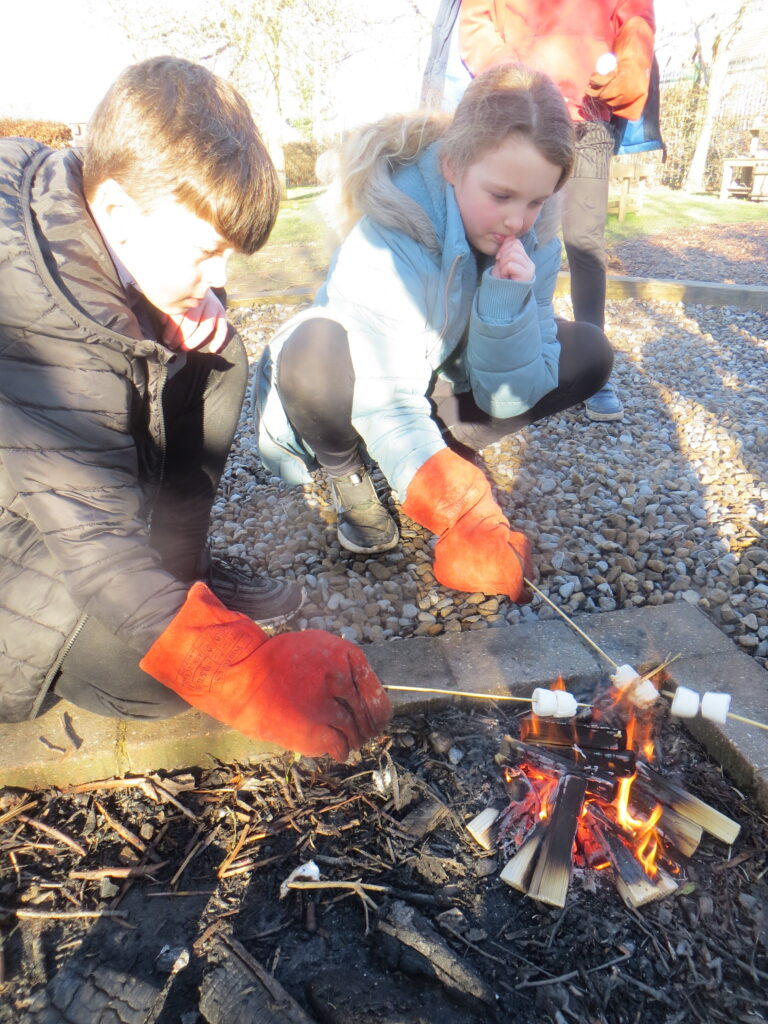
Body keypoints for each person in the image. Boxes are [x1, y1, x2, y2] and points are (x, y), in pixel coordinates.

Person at [0, 56, 391, 762]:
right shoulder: (35, 309)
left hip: (56, 490)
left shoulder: (88, 214)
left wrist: (161, 318)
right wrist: (248, 674)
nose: (220, 279)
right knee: (162, 684)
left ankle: (183, 572)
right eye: (206, 251)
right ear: (118, 210)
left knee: (218, 348)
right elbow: (95, 548)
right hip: (19, 539)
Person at [254, 63, 613, 596]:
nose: (518, 221)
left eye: (536, 201)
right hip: (359, 394)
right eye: (501, 196)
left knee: (588, 351)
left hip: (439, 382)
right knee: (313, 355)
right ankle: (350, 476)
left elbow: (512, 392)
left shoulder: (535, 238)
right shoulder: (389, 235)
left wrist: (503, 302)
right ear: (451, 165)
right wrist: (459, 508)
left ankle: (437, 456)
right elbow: (385, 400)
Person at [457, 0, 656, 421]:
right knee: (499, 230)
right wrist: (514, 83)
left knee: (581, 241)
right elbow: (477, 19)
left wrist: (627, 71)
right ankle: (465, 356)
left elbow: (634, 18)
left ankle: (564, 352)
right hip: (513, 106)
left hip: (586, 111)